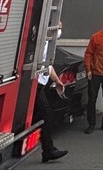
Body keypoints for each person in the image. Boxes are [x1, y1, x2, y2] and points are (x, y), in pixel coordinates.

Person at [34, 23, 69, 162]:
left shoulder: (49, 44)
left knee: (42, 116)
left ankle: (47, 149)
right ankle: (48, 150)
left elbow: (47, 66)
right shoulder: (41, 43)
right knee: (46, 116)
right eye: (58, 27)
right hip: (34, 86)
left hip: (40, 86)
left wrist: (57, 81)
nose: (60, 30)